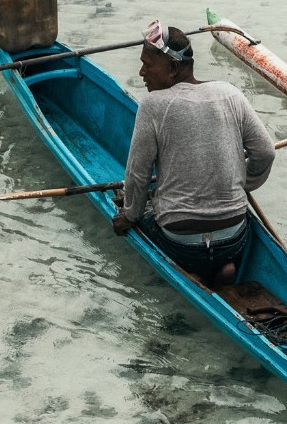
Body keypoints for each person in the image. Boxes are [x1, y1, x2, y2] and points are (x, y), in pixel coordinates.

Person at [111, 21, 276, 285]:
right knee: (224, 240)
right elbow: (265, 153)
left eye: (147, 64)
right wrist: (241, 184)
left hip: (181, 244)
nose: (142, 72)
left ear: (173, 68)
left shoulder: (153, 105)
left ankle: (194, 272)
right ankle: (221, 269)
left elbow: (138, 175)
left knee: (145, 208)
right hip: (233, 240)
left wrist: (129, 215)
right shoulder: (230, 94)